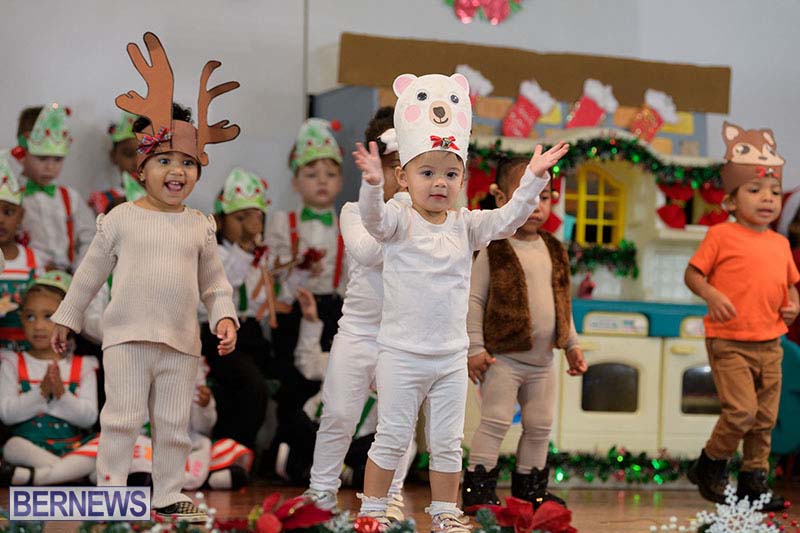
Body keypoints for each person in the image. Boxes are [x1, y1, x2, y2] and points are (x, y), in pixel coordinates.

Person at [354, 72, 565, 531]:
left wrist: (531, 181)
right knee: (391, 438)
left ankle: (446, 514)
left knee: (448, 443)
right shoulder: (397, 220)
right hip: (401, 354)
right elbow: (371, 222)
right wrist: (371, 185)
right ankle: (371, 511)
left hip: (449, 358)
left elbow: (508, 219)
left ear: (463, 178)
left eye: (450, 174)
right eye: (427, 173)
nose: (439, 183)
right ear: (403, 177)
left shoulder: (466, 225)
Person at [49, 32, 240, 522]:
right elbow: (88, 277)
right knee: (121, 419)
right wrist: (66, 318)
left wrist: (225, 317)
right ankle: (111, 493)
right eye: (164, 161)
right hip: (127, 339)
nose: (177, 171)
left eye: (187, 163)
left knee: (173, 425)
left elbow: (215, 284)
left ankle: (168, 493)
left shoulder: (200, 225)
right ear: (142, 169)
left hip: (180, 343)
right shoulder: (120, 219)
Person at [685, 121, 797, 511]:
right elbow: (693, 274)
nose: (767, 199)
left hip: (771, 342)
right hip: (729, 341)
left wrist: (794, 303)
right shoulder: (721, 235)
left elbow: (791, 285)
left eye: (774, 192)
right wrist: (711, 294)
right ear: (731, 202)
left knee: (765, 418)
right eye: (755, 190)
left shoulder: (780, 244)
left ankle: (754, 482)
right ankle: (710, 462)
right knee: (742, 412)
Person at [462, 157, 586, 511]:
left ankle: (530, 490)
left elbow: (563, 301)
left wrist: (572, 344)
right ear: (501, 199)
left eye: (543, 198)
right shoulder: (494, 246)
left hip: (543, 362)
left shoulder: (554, 248)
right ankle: (478, 489)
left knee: (540, 424)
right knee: (496, 420)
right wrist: (475, 348)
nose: (536, 207)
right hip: (503, 359)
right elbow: (474, 300)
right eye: (527, 197)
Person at [0, 272, 98, 486]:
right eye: (30, 317)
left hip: (73, 447)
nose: (38, 326)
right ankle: (73, 474)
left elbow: (89, 418)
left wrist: (61, 394)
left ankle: (36, 477)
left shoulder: (83, 366)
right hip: (30, 450)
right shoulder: (12, 362)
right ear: (21, 319)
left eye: (49, 317)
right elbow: (6, 414)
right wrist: (41, 393)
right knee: (12, 446)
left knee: (105, 444)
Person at [16, 104, 95, 272]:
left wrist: (80, 270)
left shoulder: (71, 197)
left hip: (69, 276)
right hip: (29, 275)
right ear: (22, 153)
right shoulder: (13, 197)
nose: (50, 167)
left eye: (58, 159)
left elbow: (90, 236)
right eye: (42, 158)